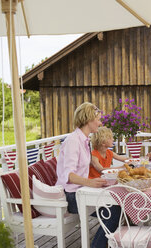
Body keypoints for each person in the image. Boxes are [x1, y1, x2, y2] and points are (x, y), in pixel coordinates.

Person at [55, 102, 120, 248]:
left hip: (81, 191)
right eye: (98, 119)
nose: (100, 122)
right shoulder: (73, 141)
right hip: (71, 195)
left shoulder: (84, 140)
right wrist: (90, 182)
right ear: (89, 119)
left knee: (117, 204)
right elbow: (69, 176)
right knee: (114, 211)